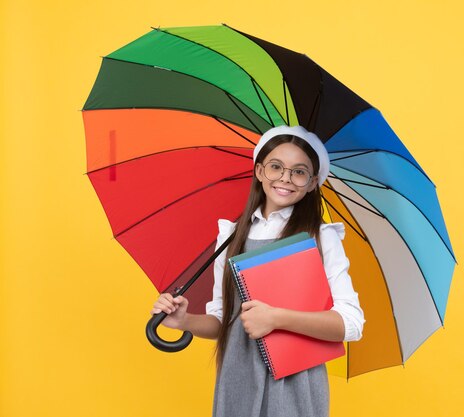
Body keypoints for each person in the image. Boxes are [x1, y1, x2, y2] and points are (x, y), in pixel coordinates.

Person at [151, 125, 365, 417]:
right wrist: (185, 320)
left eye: (299, 172)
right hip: (238, 376)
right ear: (259, 170)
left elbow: (351, 324)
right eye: (276, 167)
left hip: (296, 383)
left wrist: (276, 318)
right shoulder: (231, 236)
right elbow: (223, 319)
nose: (285, 179)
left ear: (313, 182)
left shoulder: (321, 237)